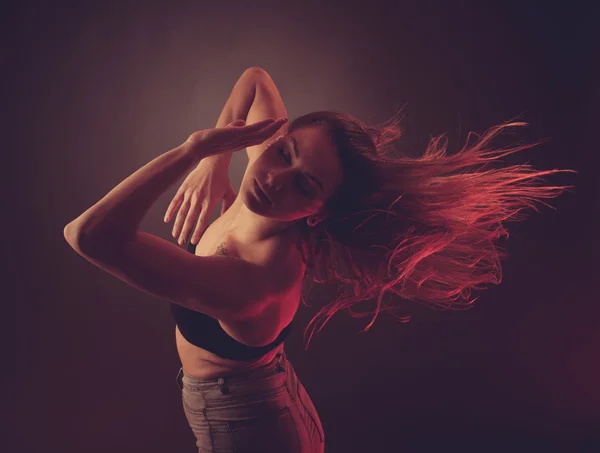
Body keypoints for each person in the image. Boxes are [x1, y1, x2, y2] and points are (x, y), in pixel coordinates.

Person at [64, 67, 574, 452]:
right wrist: (218, 164)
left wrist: (194, 150)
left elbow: (88, 235)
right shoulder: (261, 190)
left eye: (304, 183)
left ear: (317, 211)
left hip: (246, 427)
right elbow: (255, 79)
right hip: (273, 396)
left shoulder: (253, 280)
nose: (273, 177)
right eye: (284, 151)